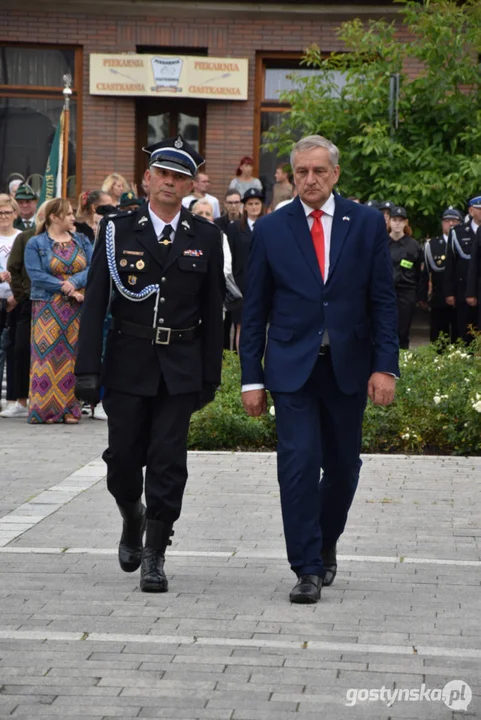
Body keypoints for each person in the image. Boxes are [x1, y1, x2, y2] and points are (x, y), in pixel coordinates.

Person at [240, 135, 399, 604]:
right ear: (292, 175)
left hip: (349, 368)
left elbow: (383, 302)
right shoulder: (271, 229)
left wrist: (385, 367)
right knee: (298, 467)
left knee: (344, 469)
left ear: (335, 174)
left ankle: (326, 540)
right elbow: (255, 312)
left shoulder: (366, 223)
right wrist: (252, 377)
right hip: (292, 371)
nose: (311, 179)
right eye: (302, 172)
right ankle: (306, 567)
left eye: (319, 171)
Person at [74, 135, 225, 594]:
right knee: (122, 460)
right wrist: (86, 370)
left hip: (180, 366)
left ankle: (155, 554)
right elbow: (96, 301)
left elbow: (214, 310)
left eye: (180, 177)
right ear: (147, 178)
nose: (170, 183)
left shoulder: (207, 236)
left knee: (167, 461)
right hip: (127, 363)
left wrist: (210, 375)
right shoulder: (119, 229)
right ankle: (132, 515)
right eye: (163, 174)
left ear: (191, 186)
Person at [24, 198, 93, 424]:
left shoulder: (82, 240)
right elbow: (36, 274)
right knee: (47, 356)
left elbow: (94, 265)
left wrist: (74, 282)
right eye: (69, 214)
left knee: (72, 356)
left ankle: (70, 409)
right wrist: (64, 287)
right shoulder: (36, 243)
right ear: (54, 217)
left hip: (77, 306)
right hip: (47, 306)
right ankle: (44, 411)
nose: (74, 218)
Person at [1, 202, 49, 419]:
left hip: (55, 303)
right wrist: (21, 296)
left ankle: (47, 398)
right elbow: (14, 268)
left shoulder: (68, 239)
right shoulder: (27, 238)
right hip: (27, 302)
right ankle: (19, 398)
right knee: (20, 349)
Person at [230, 187, 266, 352]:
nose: (253, 207)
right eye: (250, 204)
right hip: (241, 283)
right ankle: (239, 361)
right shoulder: (235, 228)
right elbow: (231, 256)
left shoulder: (268, 225)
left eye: (257, 203)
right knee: (241, 326)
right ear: (244, 207)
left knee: (262, 324)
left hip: (263, 282)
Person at [421, 207, 463, 344]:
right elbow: (426, 273)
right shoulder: (432, 245)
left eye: (455, 221)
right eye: (447, 220)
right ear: (442, 223)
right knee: (438, 339)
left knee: (461, 338)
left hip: (461, 297)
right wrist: (422, 296)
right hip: (439, 298)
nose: (451, 224)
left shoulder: (466, 243)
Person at [444, 195, 480, 343]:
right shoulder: (457, 232)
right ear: (471, 211)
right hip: (463, 289)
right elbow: (450, 265)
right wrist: (449, 292)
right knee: (465, 333)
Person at [388, 206, 422, 349]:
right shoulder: (381, 243)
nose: (397, 224)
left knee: (403, 330)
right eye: (394, 220)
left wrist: (418, 295)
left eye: (400, 221)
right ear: (389, 221)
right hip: (386, 292)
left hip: (406, 292)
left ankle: (404, 361)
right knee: (385, 329)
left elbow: (419, 273)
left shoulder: (413, 245)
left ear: (406, 222)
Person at [0, 194, 22, 414]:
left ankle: (13, 399)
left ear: (15, 214)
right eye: (0, 213)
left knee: (14, 350)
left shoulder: (21, 238)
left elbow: (26, 270)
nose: (4, 216)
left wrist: (17, 294)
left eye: (7, 212)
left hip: (16, 300)